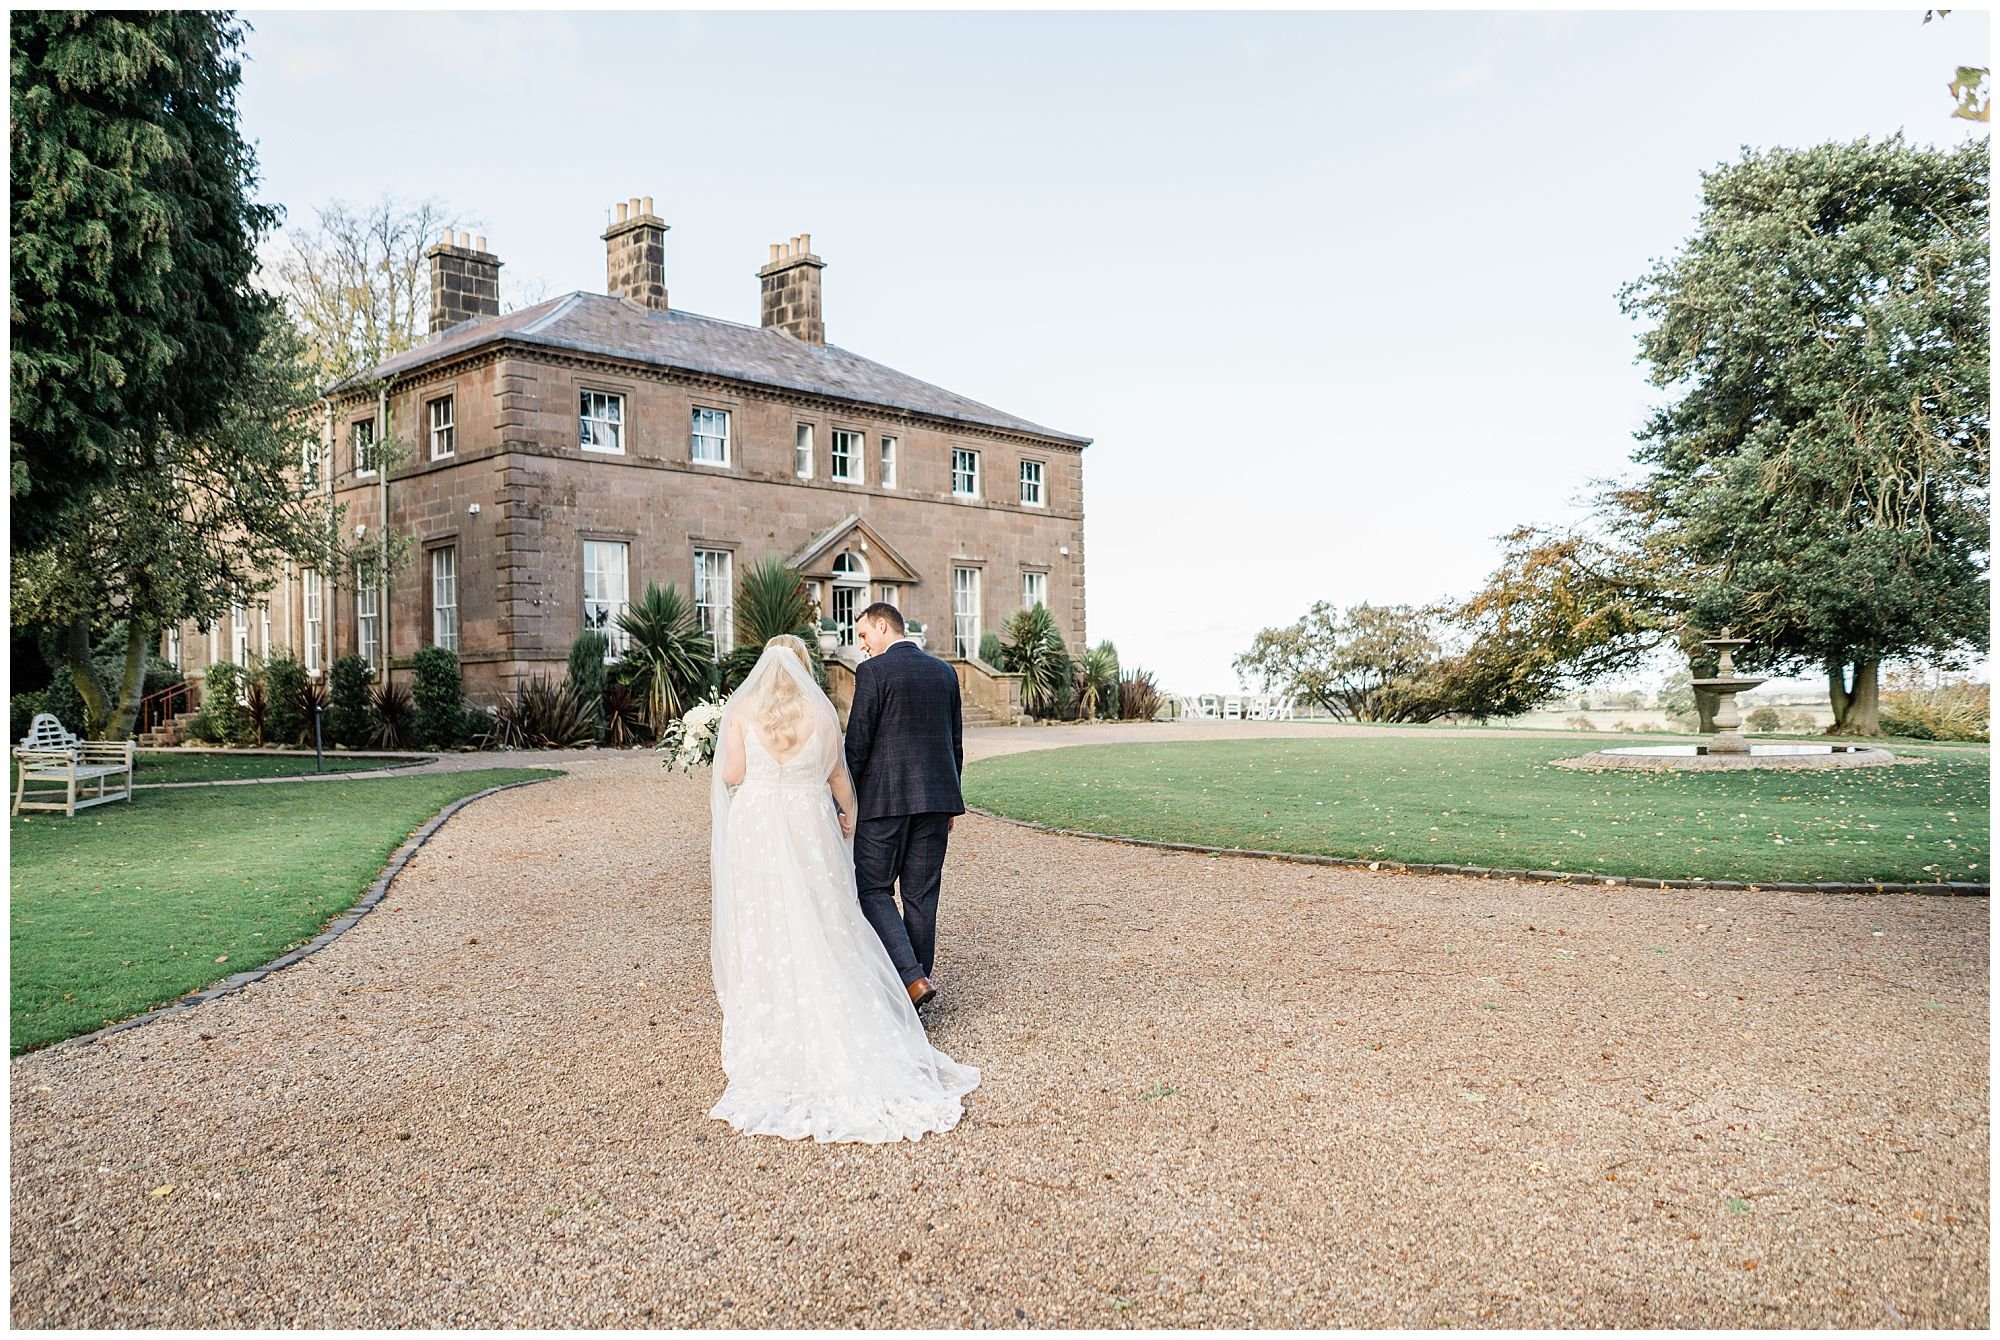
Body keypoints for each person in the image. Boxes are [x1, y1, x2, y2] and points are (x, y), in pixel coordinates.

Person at [707, 634, 978, 1143]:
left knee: (766, 913)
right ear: (806, 667)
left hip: (759, 825)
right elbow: (838, 774)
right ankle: (902, 988)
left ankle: (774, 1011)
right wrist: (848, 816)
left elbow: (733, 772)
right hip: (809, 822)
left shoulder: (742, 708)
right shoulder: (822, 711)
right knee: (825, 914)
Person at [844, 602, 965, 1010]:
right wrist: (950, 803)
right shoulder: (945, 672)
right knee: (921, 894)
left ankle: (911, 978)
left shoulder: (873, 672)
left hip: (884, 802)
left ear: (883, 626)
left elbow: (857, 744)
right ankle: (915, 989)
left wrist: (846, 801)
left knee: (872, 887)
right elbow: (955, 745)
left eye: (863, 635)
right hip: (936, 800)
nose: (862, 645)